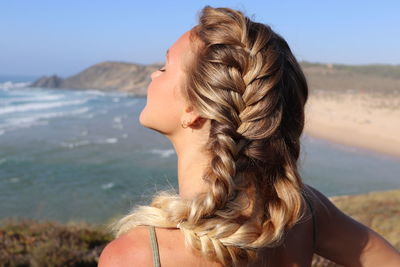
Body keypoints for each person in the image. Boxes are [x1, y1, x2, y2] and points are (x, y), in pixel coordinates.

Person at [98, 6, 400, 267]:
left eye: (164, 67)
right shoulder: (300, 212)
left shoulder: (138, 256)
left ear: (194, 109)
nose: (153, 75)